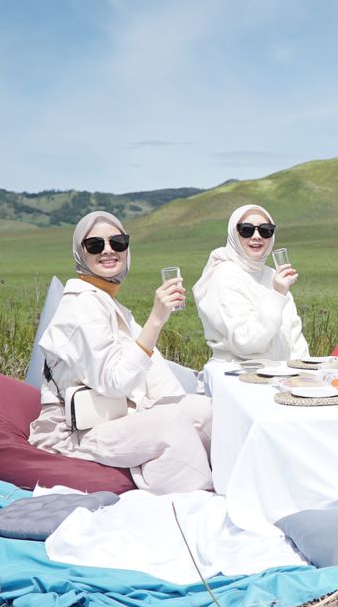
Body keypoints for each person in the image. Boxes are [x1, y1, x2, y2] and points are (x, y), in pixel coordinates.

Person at [30, 211, 214, 494]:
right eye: (95, 245)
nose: (108, 250)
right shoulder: (80, 308)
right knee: (171, 426)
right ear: (81, 254)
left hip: (117, 413)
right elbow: (115, 382)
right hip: (75, 431)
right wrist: (156, 319)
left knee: (207, 412)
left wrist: (180, 402)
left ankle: (236, 486)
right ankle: (192, 505)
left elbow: (154, 373)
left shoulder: (107, 303)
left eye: (117, 242)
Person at [192, 203, 309, 363]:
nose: (256, 236)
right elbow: (246, 343)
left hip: (282, 375)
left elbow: (294, 337)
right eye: (246, 230)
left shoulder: (273, 275)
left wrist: (304, 372)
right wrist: (277, 295)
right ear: (234, 234)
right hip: (237, 375)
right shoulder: (226, 274)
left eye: (265, 230)